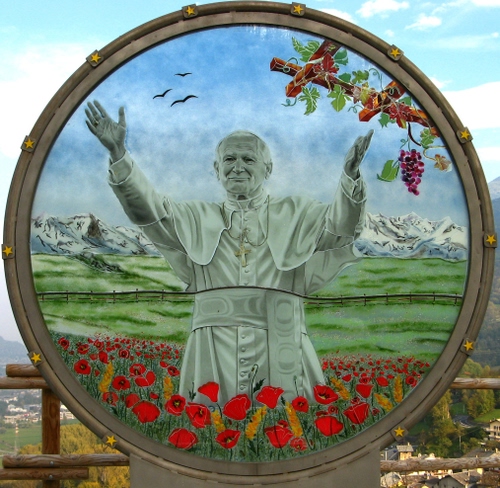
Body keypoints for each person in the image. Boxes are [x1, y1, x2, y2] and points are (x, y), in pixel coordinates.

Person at [85, 100, 373, 404]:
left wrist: (350, 177)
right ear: (216, 169)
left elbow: (341, 228)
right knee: (211, 420)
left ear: (268, 169)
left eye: (248, 159)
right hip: (212, 344)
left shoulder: (297, 213)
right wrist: (118, 153)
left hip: (281, 338)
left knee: (286, 420)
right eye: (229, 159)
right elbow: (149, 210)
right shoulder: (195, 217)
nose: (237, 167)